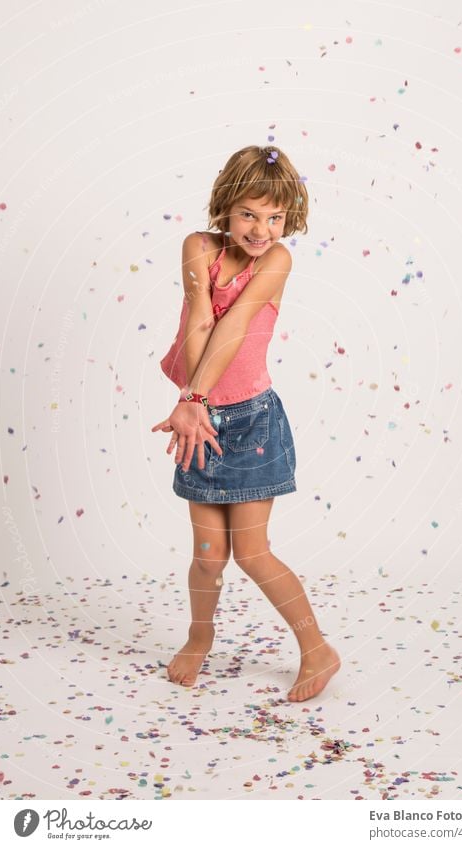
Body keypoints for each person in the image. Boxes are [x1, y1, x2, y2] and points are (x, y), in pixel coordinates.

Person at [151, 145, 340, 702]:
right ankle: (198, 637)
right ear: (226, 207)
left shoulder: (276, 260)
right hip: (199, 422)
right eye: (250, 215)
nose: (262, 229)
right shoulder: (198, 247)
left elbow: (233, 326)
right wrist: (192, 403)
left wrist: (195, 394)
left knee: (252, 552)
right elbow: (202, 317)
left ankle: (317, 649)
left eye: (275, 217)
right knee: (208, 556)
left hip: (252, 424)